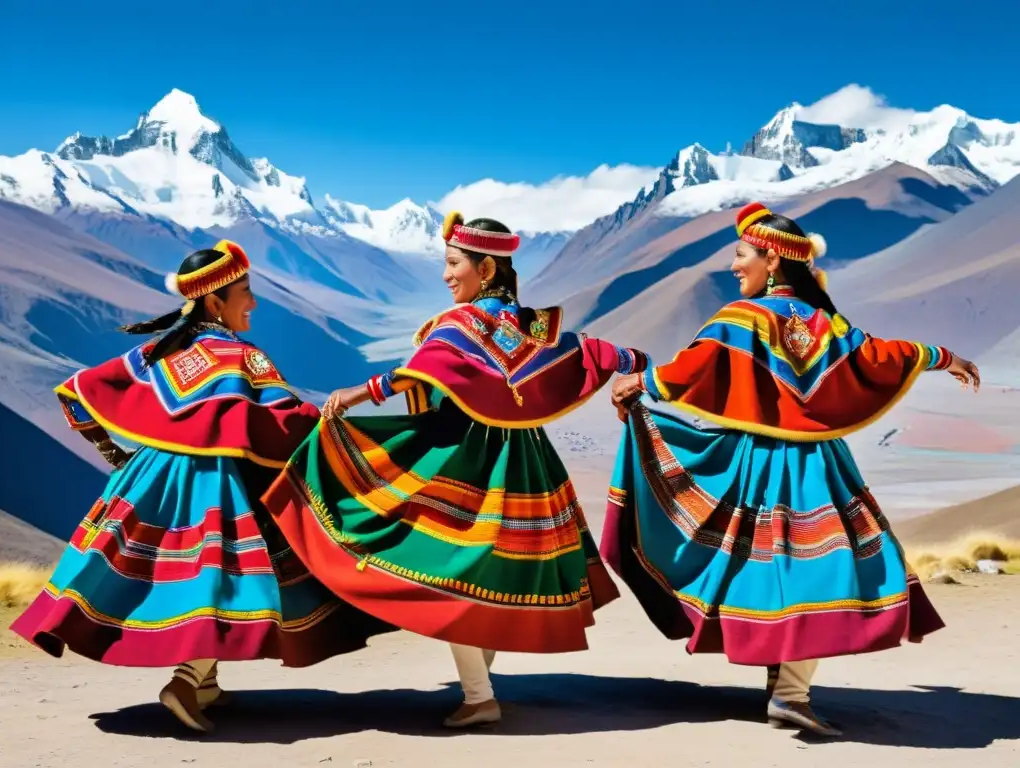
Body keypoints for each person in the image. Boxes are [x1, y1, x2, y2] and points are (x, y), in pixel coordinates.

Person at [604, 202, 980, 737]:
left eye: (741, 255)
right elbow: (879, 355)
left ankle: (787, 689)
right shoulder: (828, 324)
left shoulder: (741, 319)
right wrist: (941, 355)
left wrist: (641, 384)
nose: (734, 266)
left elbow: (694, 365)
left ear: (773, 261)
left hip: (755, 462)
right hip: (817, 464)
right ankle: (789, 690)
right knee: (824, 566)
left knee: (765, 567)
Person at [262, 212, 650, 728]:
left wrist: (359, 394)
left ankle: (478, 696)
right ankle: (478, 691)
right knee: (486, 574)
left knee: (449, 569)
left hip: (466, 458)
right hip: (527, 462)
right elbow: (600, 353)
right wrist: (638, 371)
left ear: (485, 267)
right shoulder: (535, 325)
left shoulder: (459, 324)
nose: (446, 276)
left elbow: (422, 370)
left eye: (453, 264)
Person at [11, 240, 392, 733]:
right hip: (219, 484)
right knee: (223, 580)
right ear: (215, 301)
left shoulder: (162, 351)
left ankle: (205, 683)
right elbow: (286, 421)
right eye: (246, 292)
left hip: (154, 479)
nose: (253, 302)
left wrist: (116, 455)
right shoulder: (241, 356)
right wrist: (335, 429)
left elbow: (78, 393)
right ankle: (187, 681)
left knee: (186, 581)